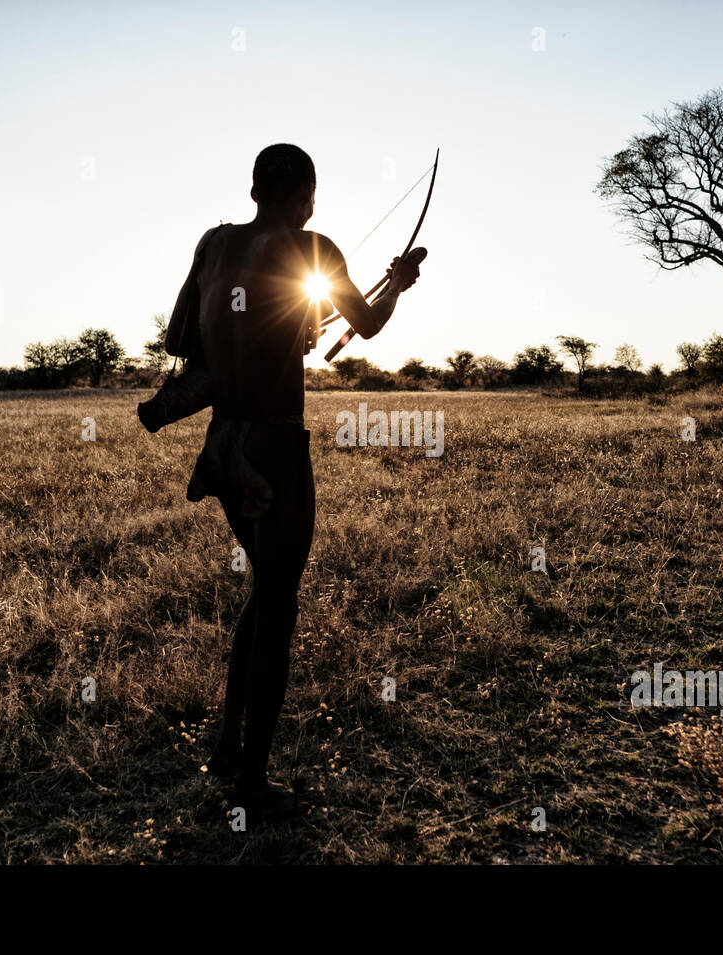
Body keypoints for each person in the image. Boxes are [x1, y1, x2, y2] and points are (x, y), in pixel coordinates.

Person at [170, 143, 422, 820]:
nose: (314, 206)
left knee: (265, 587)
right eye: (313, 195)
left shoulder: (212, 243)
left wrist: (284, 326)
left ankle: (228, 747)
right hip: (275, 444)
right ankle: (251, 784)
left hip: (224, 444)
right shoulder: (314, 245)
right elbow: (365, 324)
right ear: (302, 194)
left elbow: (182, 338)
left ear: (255, 189)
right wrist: (395, 282)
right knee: (278, 607)